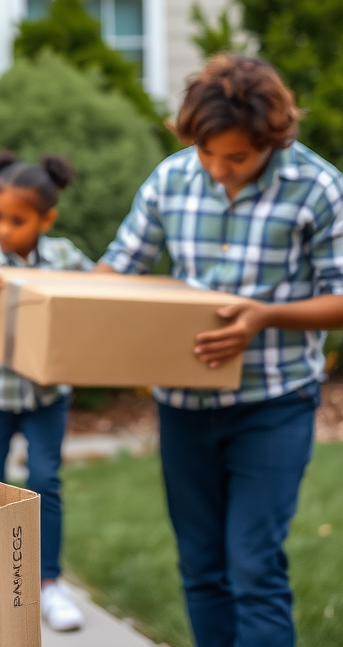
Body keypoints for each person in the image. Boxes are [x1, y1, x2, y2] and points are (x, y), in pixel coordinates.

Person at [96, 54, 343, 647]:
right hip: (183, 404)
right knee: (202, 569)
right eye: (208, 153)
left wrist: (265, 317)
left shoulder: (318, 188)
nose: (218, 171)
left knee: (253, 566)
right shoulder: (171, 179)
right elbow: (114, 272)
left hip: (273, 403)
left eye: (237, 158)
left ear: (271, 139)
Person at [0, 150, 91, 632]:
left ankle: (48, 583)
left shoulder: (64, 257)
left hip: (47, 396)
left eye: (17, 220)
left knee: (46, 481)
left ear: (47, 219)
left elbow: (94, 301)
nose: (3, 229)